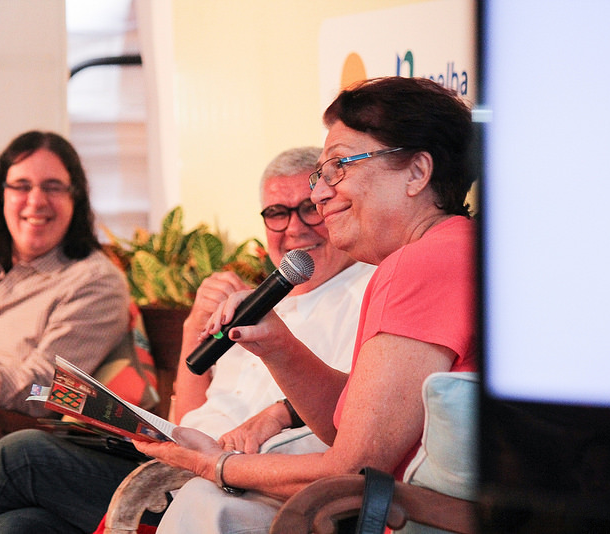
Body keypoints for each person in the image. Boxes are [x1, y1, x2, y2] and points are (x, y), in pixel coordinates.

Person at [0, 146, 377, 534]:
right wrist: (192, 328)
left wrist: (276, 415)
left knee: (21, 455)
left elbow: (354, 405)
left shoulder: (365, 290)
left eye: (309, 210)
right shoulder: (259, 297)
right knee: (11, 527)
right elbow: (187, 416)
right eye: (277, 214)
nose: (294, 228)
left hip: (233, 488)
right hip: (170, 465)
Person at [134, 76, 478, 534]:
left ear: (417, 172)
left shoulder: (424, 262)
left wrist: (217, 464)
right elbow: (365, 428)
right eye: (322, 173)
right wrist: (278, 345)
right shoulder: (450, 249)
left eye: (339, 166)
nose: (319, 194)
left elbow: (352, 470)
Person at [0, 130, 133, 486]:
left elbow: (42, 390)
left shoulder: (95, 282)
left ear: (75, 198)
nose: (36, 201)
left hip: (1, 440)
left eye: (53, 187)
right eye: (21, 185)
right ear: (1, 196)